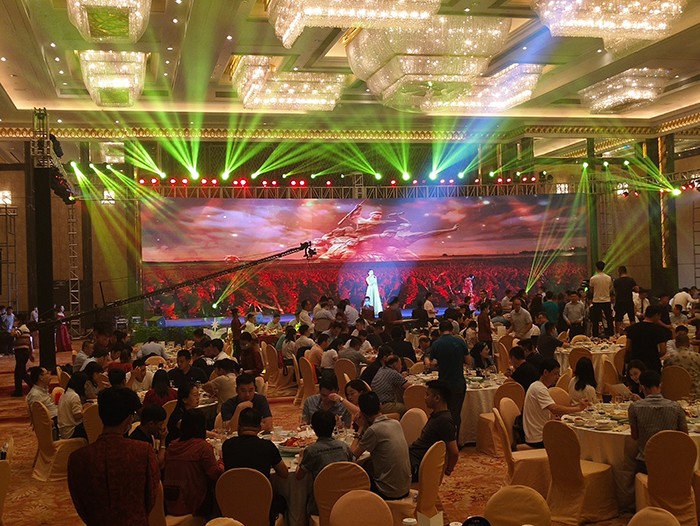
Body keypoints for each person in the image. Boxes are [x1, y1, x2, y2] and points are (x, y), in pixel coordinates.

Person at [67, 387, 159, 526]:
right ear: (129, 419)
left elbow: (80, 505)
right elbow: (151, 497)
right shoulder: (143, 451)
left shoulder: (78, 458)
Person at [221, 408, 288, 526]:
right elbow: (284, 473)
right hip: (262, 504)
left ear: (239, 425)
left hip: (232, 504)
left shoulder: (227, 445)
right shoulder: (267, 446)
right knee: (282, 501)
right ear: (259, 427)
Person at [350, 391, 411, 500]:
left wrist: (360, 429)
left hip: (388, 491)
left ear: (362, 413)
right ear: (380, 406)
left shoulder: (374, 430)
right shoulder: (396, 423)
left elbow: (353, 456)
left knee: (355, 476)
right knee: (367, 464)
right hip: (405, 487)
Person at [163, 409, 223, 517]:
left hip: (169, 500)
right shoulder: (202, 447)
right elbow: (215, 474)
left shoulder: (172, 446)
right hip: (193, 503)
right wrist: (222, 463)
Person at [628, 370, 687, 473]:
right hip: (672, 462)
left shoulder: (634, 407)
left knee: (628, 464)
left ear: (642, 387)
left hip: (646, 463)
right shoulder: (676, 407)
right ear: (660, 385)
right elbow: (684, 437)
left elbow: (635, 436)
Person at [296, 409, 354, 513]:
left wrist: (301, 458)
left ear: (313, 428)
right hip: (345, 501)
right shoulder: (344, 447)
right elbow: (353, 467)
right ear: (333, 426)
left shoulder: (312, 450)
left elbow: (299, 476)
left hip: (320, 505)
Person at [523, 359, 589, 448]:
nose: (558, 377)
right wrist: (578, 408)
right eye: (555, 374)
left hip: (537, 432)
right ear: (545, 372)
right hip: (538, 437)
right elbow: (554, 409)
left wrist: (551, 418)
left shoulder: (536, 385)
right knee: (572, 440)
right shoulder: (539, 389)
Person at [408, 380, 459, 482]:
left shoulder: (444, 421)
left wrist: (449, 469)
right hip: (412, 459)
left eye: (427, 395)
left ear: (437, 398)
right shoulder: (437, 416)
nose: (424, 398)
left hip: (416, 465)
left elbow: (454, 452)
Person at [430, 320, 468, 432]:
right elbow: (468, 361)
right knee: (456, 413)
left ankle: (446, 438)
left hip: (444, 383)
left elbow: (433, 364)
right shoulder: (460, 341)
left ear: (439, 331)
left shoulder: (436, 344)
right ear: (452, 330)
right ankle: (456, 438)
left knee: (444, 413)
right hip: (458, 382)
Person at [625, 305, 669, 373]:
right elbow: (663, 350)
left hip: (636, 363)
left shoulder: (632, 328)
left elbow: (628, 348)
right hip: (652, 364)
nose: (659, 318)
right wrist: (654, 356)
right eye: (659, 316)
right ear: (656, 315)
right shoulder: (658, 330)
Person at [130, 404, 168, 469]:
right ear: (151, 424)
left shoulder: (147, 434)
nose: (161, 427)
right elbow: (158, 463)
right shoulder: (139, 441)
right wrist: (163, 440)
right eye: (160, 424)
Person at [663, 333, 700, 400]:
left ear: (676, 344)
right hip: (695, 393)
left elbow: (665, 376)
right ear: (689, 344)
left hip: (675, 393)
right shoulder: (697, 357)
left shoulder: (669, 359)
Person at [58, 371, 88, 439]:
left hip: (64, 429)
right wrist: (86, 410)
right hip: (71, 431)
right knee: (92, 428)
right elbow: (77, 416)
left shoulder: (65, 393)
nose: (85, 386)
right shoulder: (74, 396)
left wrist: (83, 407)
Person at [589, 261, 614, 338]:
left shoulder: (593, 278)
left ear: (596, 268)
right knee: (609, 318)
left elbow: (591, 290)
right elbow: (610, 288)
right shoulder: (608, 278)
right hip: (606, 300)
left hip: (596, 300)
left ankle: (595, 335)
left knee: (595, 320)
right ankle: (611, 334)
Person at [11, 316, 33, 396]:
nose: (15, 321)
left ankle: (20, 391)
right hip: (22, 352)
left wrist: (13, 327)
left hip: (21, 352)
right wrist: (30, 354)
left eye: (16, 320)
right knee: (21, 372)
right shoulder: (24, 328)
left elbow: (14, 334)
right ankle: (21, 390)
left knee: (19, 372)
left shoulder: (23, 328)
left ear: (20, 321)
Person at [613, 266, 637, 335]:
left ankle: (617, 333)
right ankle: (634, 332)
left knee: (618, 318)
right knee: (632, 317)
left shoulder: (616, 281)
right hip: (629, 300)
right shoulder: (631, 280)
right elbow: (636, 289)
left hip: (619, 301)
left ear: (619, 272)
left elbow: (615, 291)